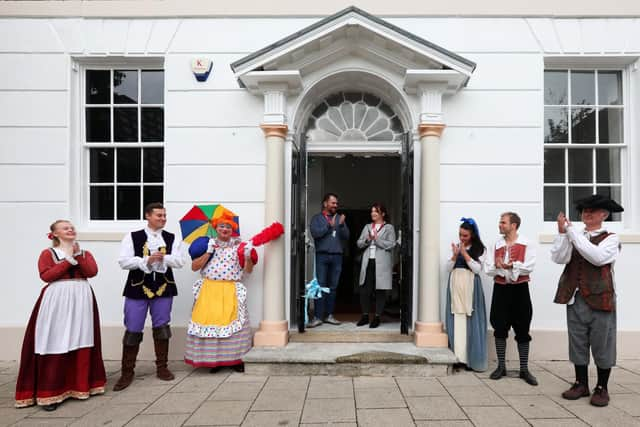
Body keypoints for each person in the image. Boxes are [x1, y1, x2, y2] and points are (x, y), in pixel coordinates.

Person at [15, 220, 106, 411]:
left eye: (72, 227)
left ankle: (79, 386)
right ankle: (50, 393)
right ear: (55, 234)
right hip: (58, 299)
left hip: (81, 298)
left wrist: (78, 256)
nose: (71, 230)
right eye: (65, 228)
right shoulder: (47, 254)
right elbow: (47, 276)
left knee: (81, 339)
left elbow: (92, 272)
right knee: (55, 340)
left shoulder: (85, 253)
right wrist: (68, 261)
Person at [551, 194, 623, 407]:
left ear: (604, 214)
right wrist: (563, 235)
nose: (586, 214)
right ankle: (580, 383)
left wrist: (572, 233)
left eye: (592, 210)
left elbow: (597, 257)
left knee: (603, 344)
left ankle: (602, 387)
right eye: (584, 210)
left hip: (601, 298)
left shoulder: (611, 237)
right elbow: (559, 258)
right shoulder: (575, 235)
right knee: (578, 342)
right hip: (575, 296)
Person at [114, 203, 185, 391]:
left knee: (162, 327)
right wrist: (146, 260)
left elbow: (179, 261)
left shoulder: (172, 237)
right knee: (133, 329)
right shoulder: (132, 236)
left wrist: (164, 258)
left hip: (164, 287)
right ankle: (127, 372)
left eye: (164, 215)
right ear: (148, 216)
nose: (163, 218)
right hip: (137, 288)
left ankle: (162, 368)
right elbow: (123, 261)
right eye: (159, 215)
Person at [185, 212, 257, 372]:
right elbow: (195, 267)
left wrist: (248, 257)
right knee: (212, 325)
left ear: (233, 230)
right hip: (209, 290)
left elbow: (248, 271)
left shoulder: (240, 246)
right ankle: (215, 361)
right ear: (215, 228)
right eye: (222, 226)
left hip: (231, 289)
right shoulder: (206, 245)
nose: (225, 229)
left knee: (236, 328)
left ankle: (236, 361)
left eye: (228, 227)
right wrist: (208, 252)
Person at [485, 212, 537, 385]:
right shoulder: (496, 244)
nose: (500, 225)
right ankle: (501, 366)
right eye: (500, 222)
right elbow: (488, 268)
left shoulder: (526, 243)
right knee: (500, 327)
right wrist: (499, 267)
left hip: (520, 290)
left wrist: (512, 265)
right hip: (500, 289)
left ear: (513, 225)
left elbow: (529, 267)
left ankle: (524, 369)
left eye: (503, 222)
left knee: (523, 328)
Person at [445, 217, 488, 372]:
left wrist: (465, 254)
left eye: (465, 236)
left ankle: (470, 359)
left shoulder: (480, 249)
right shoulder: (457, 247)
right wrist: (455, 255)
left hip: (470, 286)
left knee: (470, 320)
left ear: (472, 235)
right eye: (460, 235)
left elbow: (477, 269)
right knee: (457, 320)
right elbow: (448, 268)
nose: (462, 238)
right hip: (456, 285)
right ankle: (457, 358)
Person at [308, 193, 350, 327]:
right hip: (322, 255)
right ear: (325, 204)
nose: (335, 205)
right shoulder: (317, 218)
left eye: (336, 203)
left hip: (337, 256)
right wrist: (328, 226)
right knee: (320, 286)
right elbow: (315, 234)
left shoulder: (339, 219)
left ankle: (329, 315)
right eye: (333, 203)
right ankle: (318, 316)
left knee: (333, 287)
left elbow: (347, 236)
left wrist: (342, 225)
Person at [356, 203, 396, 328]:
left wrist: (376, 239)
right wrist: (368, 239)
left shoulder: (389, 228)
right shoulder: (367, 226)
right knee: (364, 290)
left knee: (380, 290)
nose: (373, 213)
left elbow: (391, 244)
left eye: (376, 212)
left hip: (382, 263)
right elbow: (359, 243)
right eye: (372, 211)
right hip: (368, 261)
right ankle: (365, 316)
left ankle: (377, 317)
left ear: (382, 214)